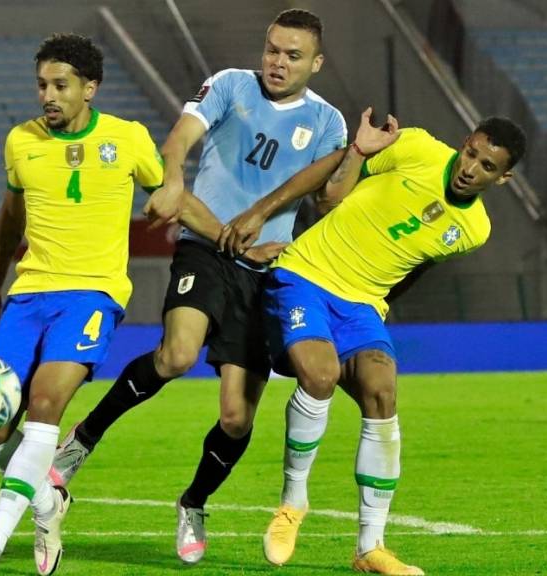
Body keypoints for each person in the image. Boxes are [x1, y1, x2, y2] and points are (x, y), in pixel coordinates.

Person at [51, 8, 348, 565]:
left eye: (292, 55)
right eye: (272, 49)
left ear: (316, 62)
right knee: (176, 354)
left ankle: (193, 502)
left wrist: (353, 158)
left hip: (265, 273)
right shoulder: (230, 85)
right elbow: (180, 138)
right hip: (205, 249)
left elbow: (328, 196)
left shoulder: (329, 123)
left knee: (237, 417)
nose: (277, 62)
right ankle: (82, 441)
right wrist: (176, 172)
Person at [260, 116, 527, 575]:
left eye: (486, 166)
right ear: (464, 143)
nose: (470, 168)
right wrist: (359, 153)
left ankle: (370, 548)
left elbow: (416, 263)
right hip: (307, 273)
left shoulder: (474, 231)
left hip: (363, 304)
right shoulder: (417, 147)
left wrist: (379, 306)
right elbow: (329, 198)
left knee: (382, 391)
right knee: (319, 375)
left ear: (502, 178)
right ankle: (292, 503)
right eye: (470, 153)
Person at [0, 33, 168, 576]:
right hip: (29, 295)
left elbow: (168, 190)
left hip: (93, 292)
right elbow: (10, 221)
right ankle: (47, 505)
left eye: (61, 85)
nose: (48, 95)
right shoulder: (20, 142)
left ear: (89, 88)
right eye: (42, 84)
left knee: (46, 403)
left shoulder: (129, 138)